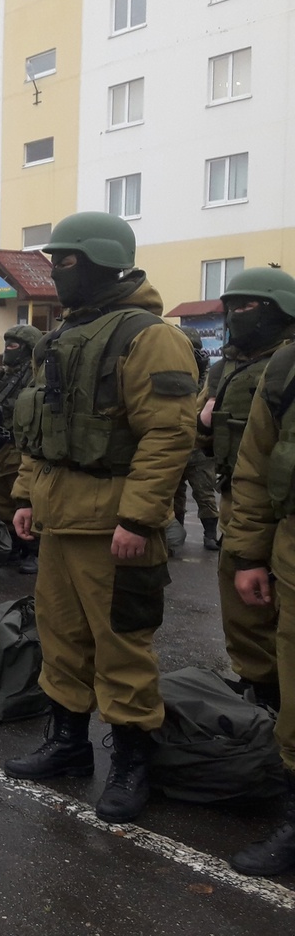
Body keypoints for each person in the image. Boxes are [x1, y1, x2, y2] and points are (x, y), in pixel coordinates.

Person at [2, 212, 198, 824]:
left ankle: (133, 761)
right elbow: (42, 433)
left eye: (65, 262)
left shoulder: (149, 335)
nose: (56, 273)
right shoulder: (66, 335)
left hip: (114, 522)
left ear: (102, 262)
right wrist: (27, 496)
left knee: (122, 647)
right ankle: (67, 744)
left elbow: (168, 435)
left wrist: (139, 520)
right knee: (61, 637)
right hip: (62, 516)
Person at [220, 271, 295, 875]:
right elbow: (254, 466)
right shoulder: (283, 369)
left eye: (252, 306)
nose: (239, 315)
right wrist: (249, 553)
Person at [204, 268, 295, 713]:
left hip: (282, 510)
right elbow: (204, 438)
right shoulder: (224, 368)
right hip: (237, 500)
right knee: (245, 615)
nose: (238, 315)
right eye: (232, 307)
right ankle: (263, 699)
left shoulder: (283, 364)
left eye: (250, 306)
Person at [0, 325, 43, 574]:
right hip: (0, 448)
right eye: (7, 343)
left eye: (15, 345)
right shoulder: (0, 378)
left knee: (25, 500)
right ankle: (13, 547)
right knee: (0, 502)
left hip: (22, 448)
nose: (9, 349)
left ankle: (33, 550)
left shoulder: (36, 376)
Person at [174, 327, 220, 551]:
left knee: (204, 492)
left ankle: (210, 534)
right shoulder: (172, 368)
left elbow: (201, 397)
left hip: (198, 445)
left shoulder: (208, 375)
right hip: (176, 442)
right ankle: (176, 532)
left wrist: (202, 371)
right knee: (175, 494)